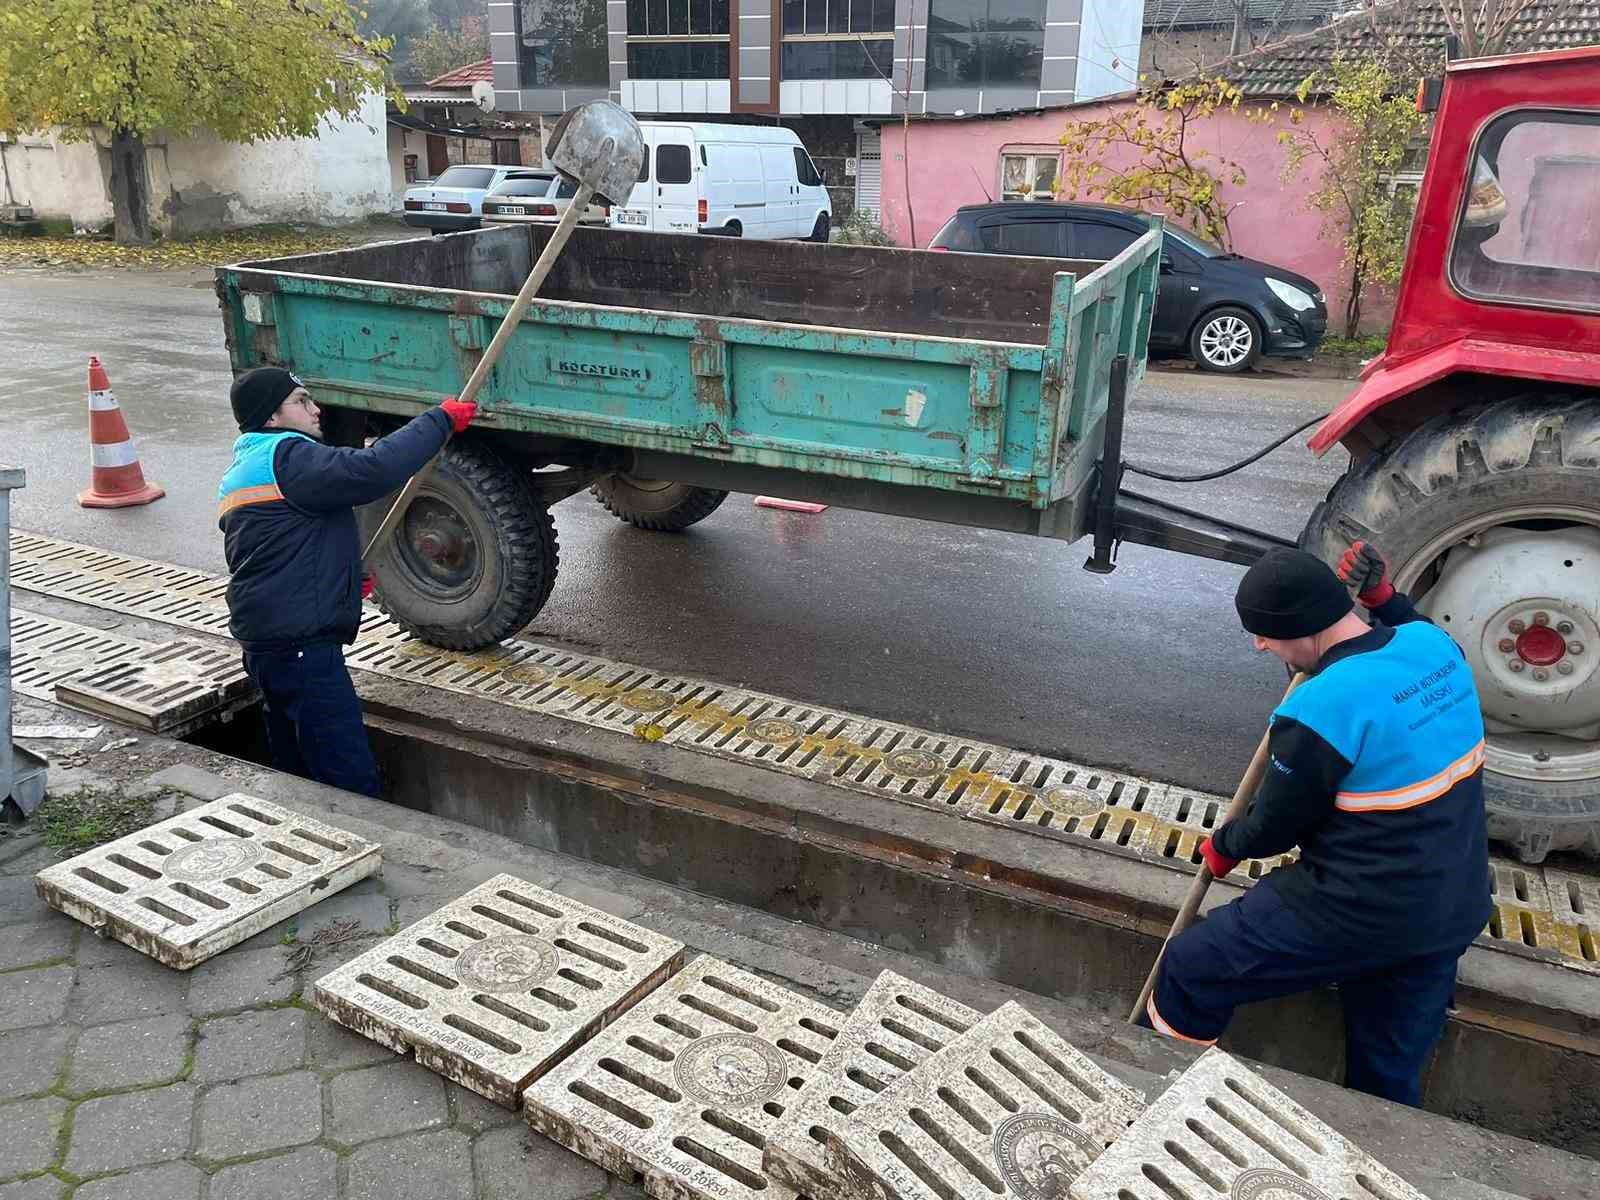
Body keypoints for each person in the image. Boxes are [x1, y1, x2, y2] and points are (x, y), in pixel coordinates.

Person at [1144, 544, 1491, 1107]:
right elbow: (1408, 622)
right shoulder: (1436, 649)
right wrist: (1383, 596)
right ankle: (1383, 1155)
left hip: (1360, 906)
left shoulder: (1320, 708)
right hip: (1451, 908)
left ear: (1299, 629)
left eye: (1263, 633)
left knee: (1192, 967)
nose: (1260, 644)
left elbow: (1275, 827)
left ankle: (1170, 1102)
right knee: (1386, 1075)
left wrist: (1224, 845)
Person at [217, 367, 476, 797]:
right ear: (271, 418)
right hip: (302, 650)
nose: (316, 408)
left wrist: (340, 583)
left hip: (266, 644)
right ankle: (363, 847)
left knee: (295, 764)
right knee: (346, 774)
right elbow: (373, 469)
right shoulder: (289, 458)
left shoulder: (245, 467)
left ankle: (303, 840)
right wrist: (440, 420)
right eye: (301, 401)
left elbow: (280, 553)